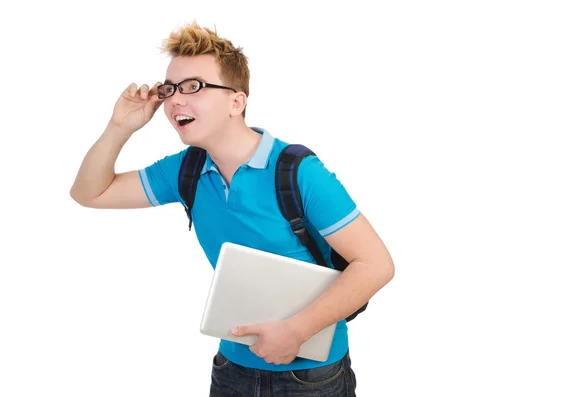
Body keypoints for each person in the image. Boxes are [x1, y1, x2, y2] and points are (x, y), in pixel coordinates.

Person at [70, 21, 395, 397]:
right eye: (169, 88)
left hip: (313, 377)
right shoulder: (185, 170)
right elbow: (89, 193)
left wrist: (296, 331)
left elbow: (376, 264)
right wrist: (119, 127)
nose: (176, 100)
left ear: (236, 102)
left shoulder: (298, 172)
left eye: (194, 86)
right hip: (232, 370)